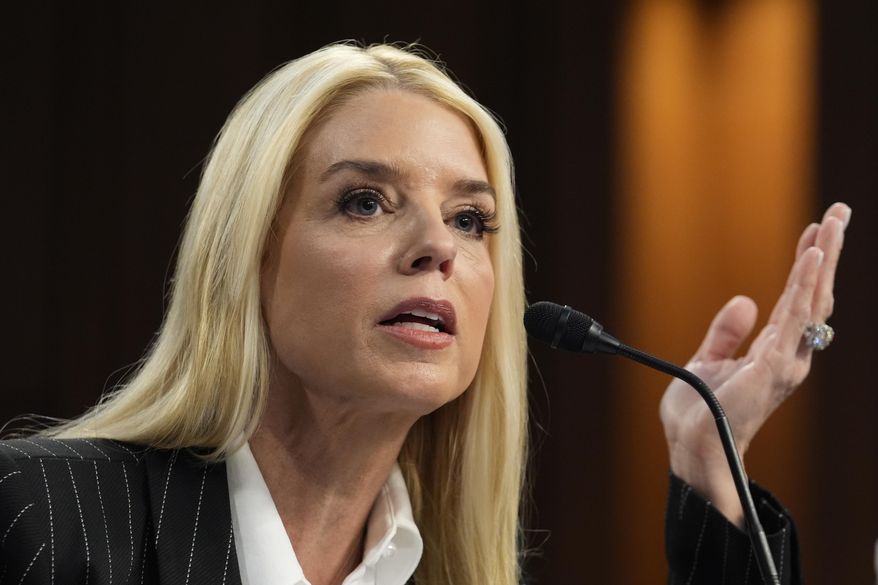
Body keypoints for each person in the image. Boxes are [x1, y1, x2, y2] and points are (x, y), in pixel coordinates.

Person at [0, 42, 849, 585]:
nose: (437, 247)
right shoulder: (42, 517)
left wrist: (710, 466)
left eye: (471, 220)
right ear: (247, 254)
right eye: (366, 201)